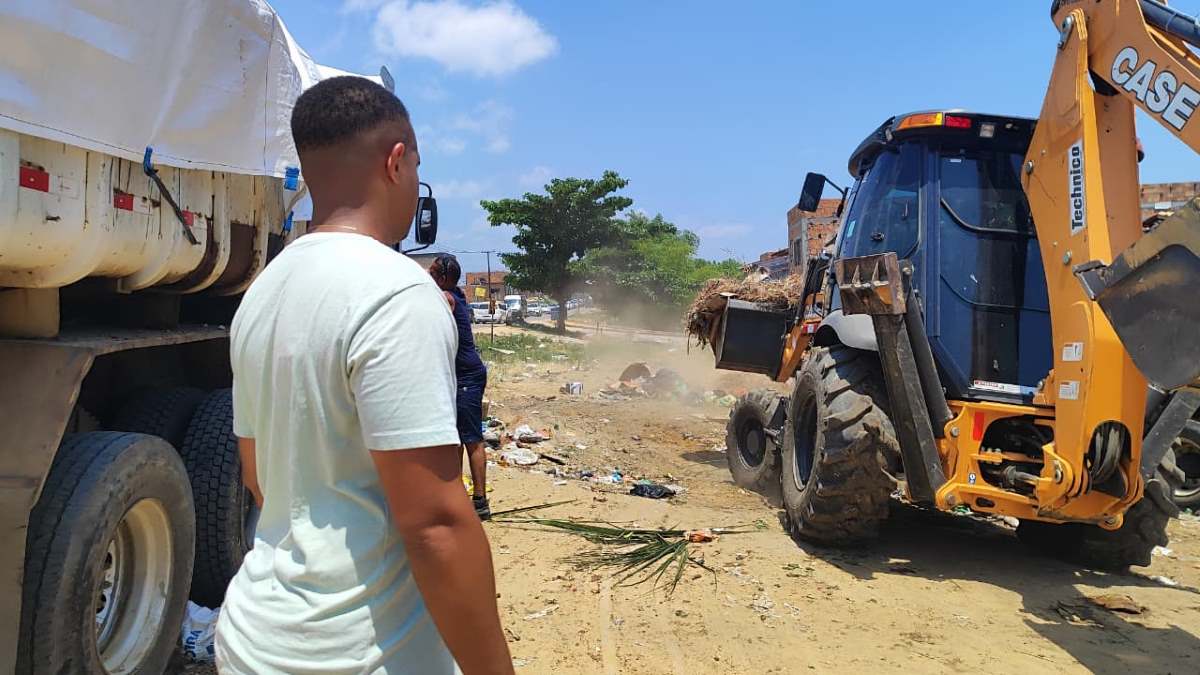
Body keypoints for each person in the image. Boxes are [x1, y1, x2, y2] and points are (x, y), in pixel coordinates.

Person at [215, 76, 513, 675]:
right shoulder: (396, 291)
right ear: (396, 163)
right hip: (358, 655)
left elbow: (259, 477)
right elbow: (434, 524)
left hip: (252, 639)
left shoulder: (264, 290)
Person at [428, 253, 491, 519]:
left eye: (432, 273)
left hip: (467, 377)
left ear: (443, 278)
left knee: (471, 439)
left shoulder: (448, 298)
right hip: (458, 377)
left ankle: (480, 501)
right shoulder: (456, 294)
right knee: (453, 439)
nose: (428, 277)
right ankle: (455, 496)